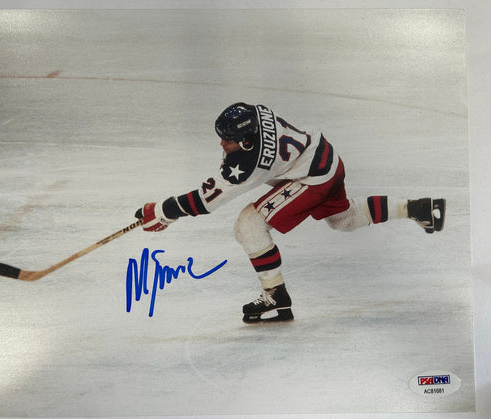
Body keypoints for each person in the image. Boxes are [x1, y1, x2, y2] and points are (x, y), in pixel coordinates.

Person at [135, 102, 445, 323]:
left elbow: (207, 201)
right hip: (326, 157)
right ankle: (418, 208)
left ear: (245, 138)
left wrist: (162, 211)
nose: (222, 143)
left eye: (228, 139)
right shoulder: (256, 115)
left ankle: (275, 296)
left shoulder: (248, 161)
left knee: (248, 225)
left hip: (313, 177)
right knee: (343, 219)